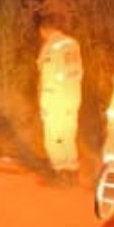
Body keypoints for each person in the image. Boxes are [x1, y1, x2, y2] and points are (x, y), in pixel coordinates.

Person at [35, 12, 84, 185]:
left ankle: (60, 173)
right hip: (73, 94)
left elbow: (46, 76)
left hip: (55, 96)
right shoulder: (73, 43)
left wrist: (42, 99)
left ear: (44, 30)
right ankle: (73, 171)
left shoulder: (50, 47)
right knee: (68, 134)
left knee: (53, 137)